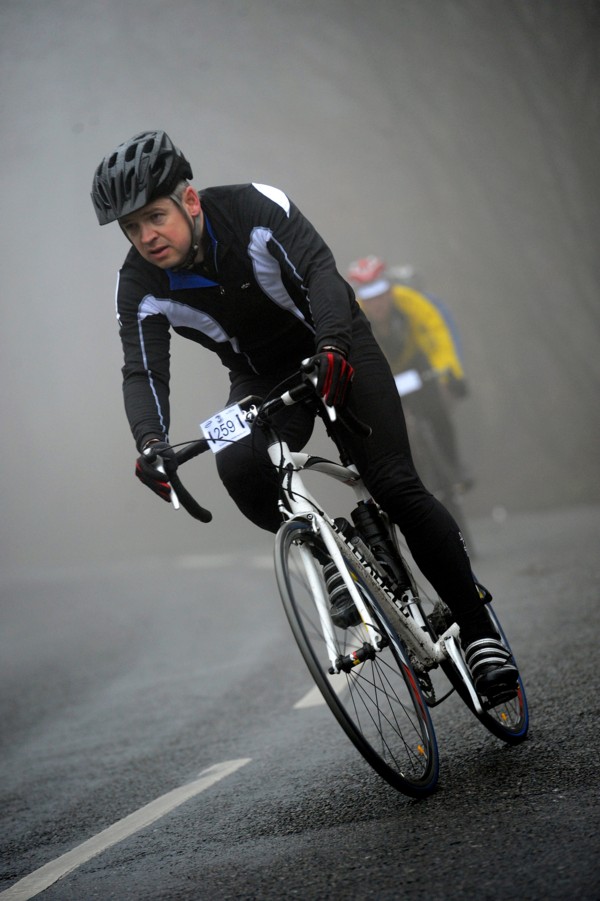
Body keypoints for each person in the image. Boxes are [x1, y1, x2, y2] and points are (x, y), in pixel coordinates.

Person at [91, 130, 518, 702]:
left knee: (394, 484)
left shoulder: (254, 207)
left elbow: (320, 271)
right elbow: (143, 372)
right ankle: (333, 561)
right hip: (261, 377)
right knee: (237, 465)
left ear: (189, 200)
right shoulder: (138, 282)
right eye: (131, 227)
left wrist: (335, 348)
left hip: (337, 341)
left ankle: (480, 631)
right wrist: (150, 441)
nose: (146, 236)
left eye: (155, 216)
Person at [347, 255, 472, 488]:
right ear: (361, 299)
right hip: (382, 373)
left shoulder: (409, 301)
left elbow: (437, 331)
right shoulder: (353, 318)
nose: (378, 303)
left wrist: (450, 373)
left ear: (390, 290)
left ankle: (454, 465)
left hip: (414, 363)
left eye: (381, 293)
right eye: (369, 297)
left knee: (437, 413)